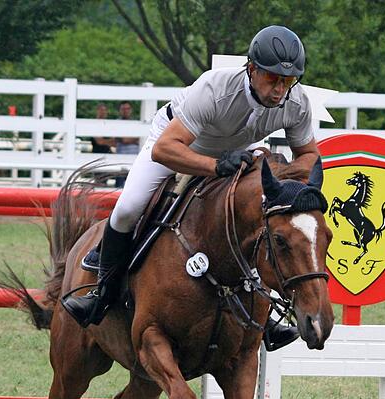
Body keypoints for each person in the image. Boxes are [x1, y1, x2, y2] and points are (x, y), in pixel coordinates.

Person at [62, 25, 319, 350]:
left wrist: (281, 176)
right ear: (251, 68)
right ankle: (102, 292)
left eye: (288, 81)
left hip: (234, 154)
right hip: (175, 144)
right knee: (128, 207)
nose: (280, 89)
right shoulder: (216, 90)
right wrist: (214, 166)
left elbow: (310, 156)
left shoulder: (296, 103)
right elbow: (165, 149)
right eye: (273, 78)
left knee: (254, 220)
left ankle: (263, 314)